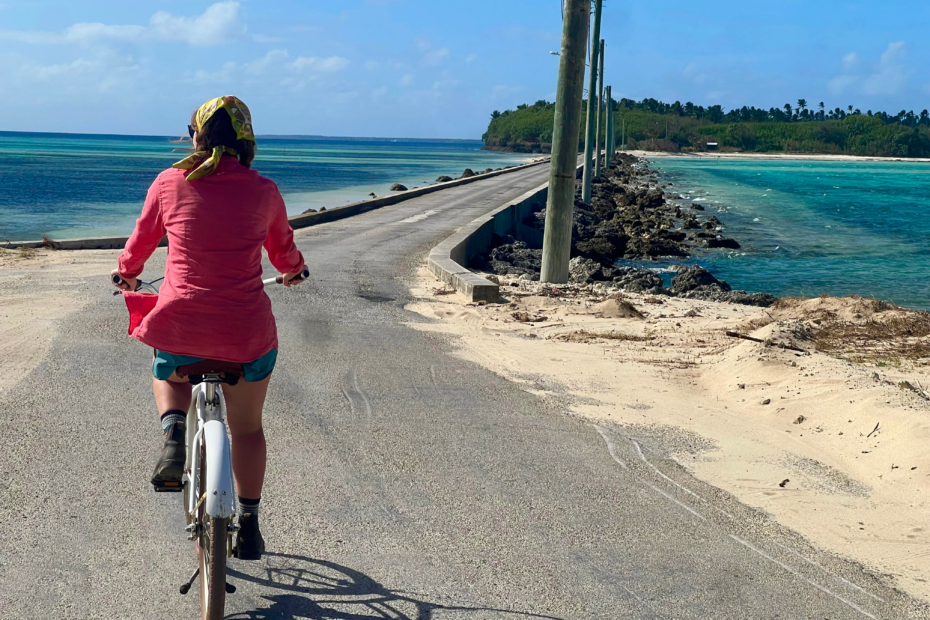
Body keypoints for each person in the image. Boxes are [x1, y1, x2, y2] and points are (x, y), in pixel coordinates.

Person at [111, 96, 305, 561]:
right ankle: (251, 524)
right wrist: (294, 271)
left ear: (195, 135)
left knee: (165, 368)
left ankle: (174, 431)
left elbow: (139, 245)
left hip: (180, 325)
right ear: (247, 140)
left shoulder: (168, 182)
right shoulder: (264, 190)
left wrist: (127, 273)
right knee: (248, 429)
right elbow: (284, 253)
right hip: (246, 336)